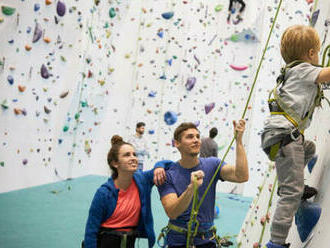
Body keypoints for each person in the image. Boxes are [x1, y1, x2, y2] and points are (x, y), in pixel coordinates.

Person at [261, 25, 330, 248]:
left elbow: (321, 82)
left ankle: (295, 188)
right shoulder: (303, 69)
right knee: (289, 193)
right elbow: (324, 74)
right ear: (311, 54)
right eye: (317, 52)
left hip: (284, 138)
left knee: (308, 149)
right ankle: (276, 242)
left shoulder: (292, 72)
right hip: (285, 137)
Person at [156, 120, 248, 248]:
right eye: (190, 137)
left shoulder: (213, 164)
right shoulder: (168, 175)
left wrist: (238, 141)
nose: (196, 140)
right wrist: (191, 189)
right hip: (178, 240)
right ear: (177, 143)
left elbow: (241, 176)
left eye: (198, 136)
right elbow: (172, 212)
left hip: (207, 240)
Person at [84, 135, 169, 248]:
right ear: (115, 163)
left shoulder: (143, 181)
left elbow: (170, 165)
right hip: (106, 243)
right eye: (127, 155)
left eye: (134, 154)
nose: (133, 158)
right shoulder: (104, 193)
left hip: (129, 242)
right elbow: (91, 230)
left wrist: (159, 166)